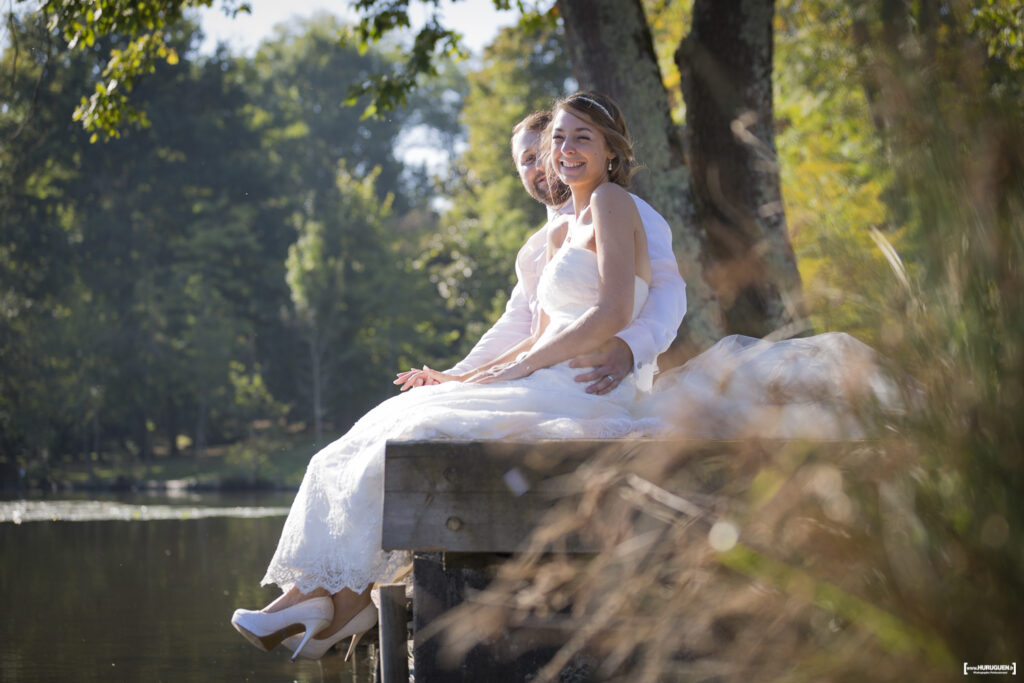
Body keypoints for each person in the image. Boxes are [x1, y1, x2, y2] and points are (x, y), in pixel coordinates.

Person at [230, 90, 672, 660]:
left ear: (612, 152)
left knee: (409, 436)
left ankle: (334, 603)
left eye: (580, 137)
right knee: (384, 425)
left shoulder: (614, 202)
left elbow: (612, 312)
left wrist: (533, 365)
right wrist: (464, 378)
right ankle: (320, 595)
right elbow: (529, 334)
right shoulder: (558, 233)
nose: (562, 151)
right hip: (546, 377)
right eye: (557, 138)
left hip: (586, 388)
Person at [394, 110, 686, 396]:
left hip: (592, 377)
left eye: (544, 151)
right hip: (545, 372)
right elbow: (520, 325)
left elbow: (667, 288)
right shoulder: (544, 242)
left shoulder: (621, 207)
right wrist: (460, 377)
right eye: (528, 159)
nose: (543, 165)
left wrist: (630, 347)